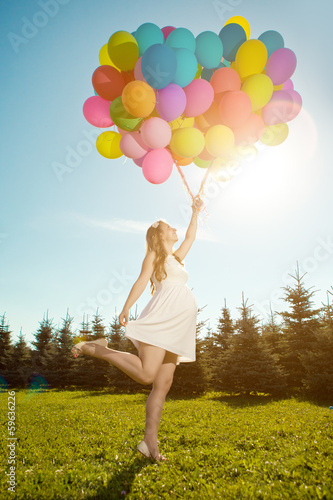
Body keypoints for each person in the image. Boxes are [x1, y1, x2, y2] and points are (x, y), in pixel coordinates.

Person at [72, 195, 204, 461]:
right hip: (162, 320)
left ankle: (149, 444)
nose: (175, 230)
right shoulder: (155, 256)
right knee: (146, 375)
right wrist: (126, 307)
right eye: (169, 227)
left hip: (176, 328)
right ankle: (98, 349)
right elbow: (142, 281)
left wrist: (195, 211)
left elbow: (190, 237)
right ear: (159, 234)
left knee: (163, 384)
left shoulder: (177, 259)